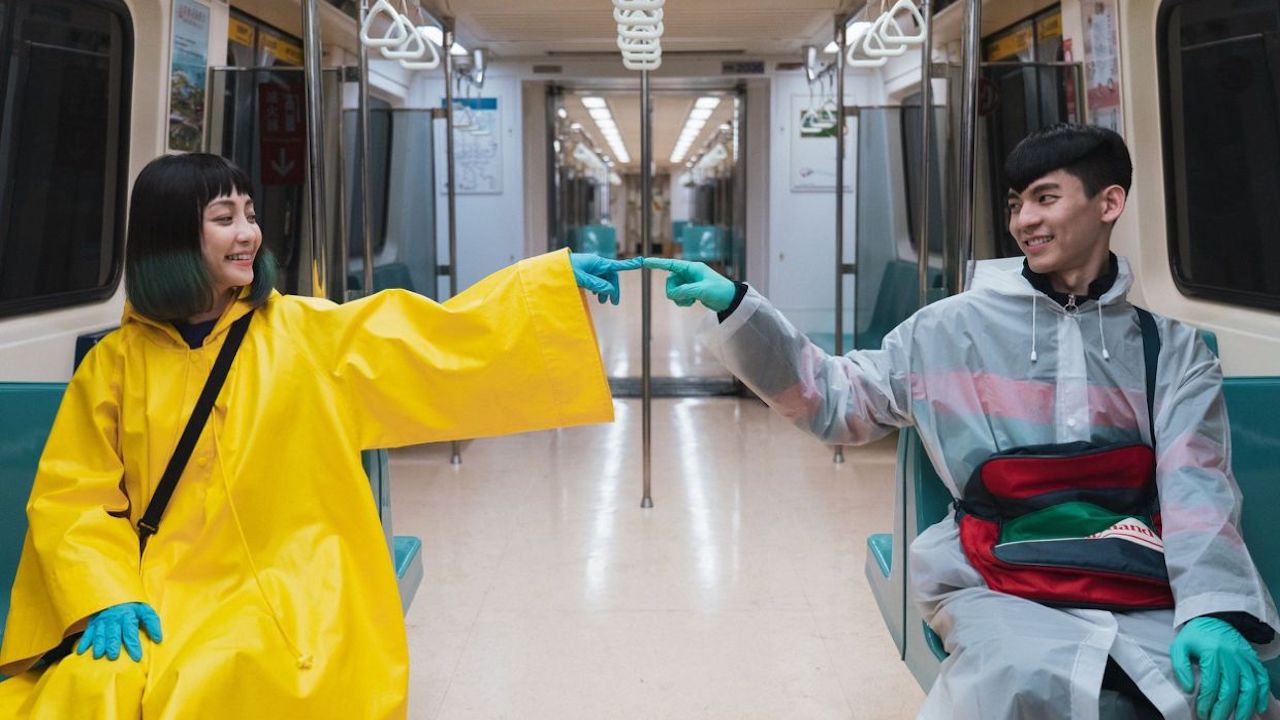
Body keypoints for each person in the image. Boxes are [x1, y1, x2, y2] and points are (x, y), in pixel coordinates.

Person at [645, 124, 1279, 720]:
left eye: (1045, 198)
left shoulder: (1171, 350)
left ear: (1109, 203)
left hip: (1132, 572)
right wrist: (736, 306)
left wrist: (1210, 609)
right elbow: (836, 399)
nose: (1024, 221)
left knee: (1214, 694)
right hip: (993, 577)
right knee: (1017, 678)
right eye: (1015, 205)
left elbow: (1197, 486)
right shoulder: (948, 330)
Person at [0, 153, 640, 718]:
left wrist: (549, 283)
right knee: (95, 686)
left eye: (250, 214)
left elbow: (438, 341)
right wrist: (105, 596)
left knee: (223, 673)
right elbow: (73, 499)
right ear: (170, 236)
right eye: (224, 218)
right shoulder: (113, 366)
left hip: (294, 576)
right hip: (154, 582)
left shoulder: (307, 334)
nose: (249, 233)